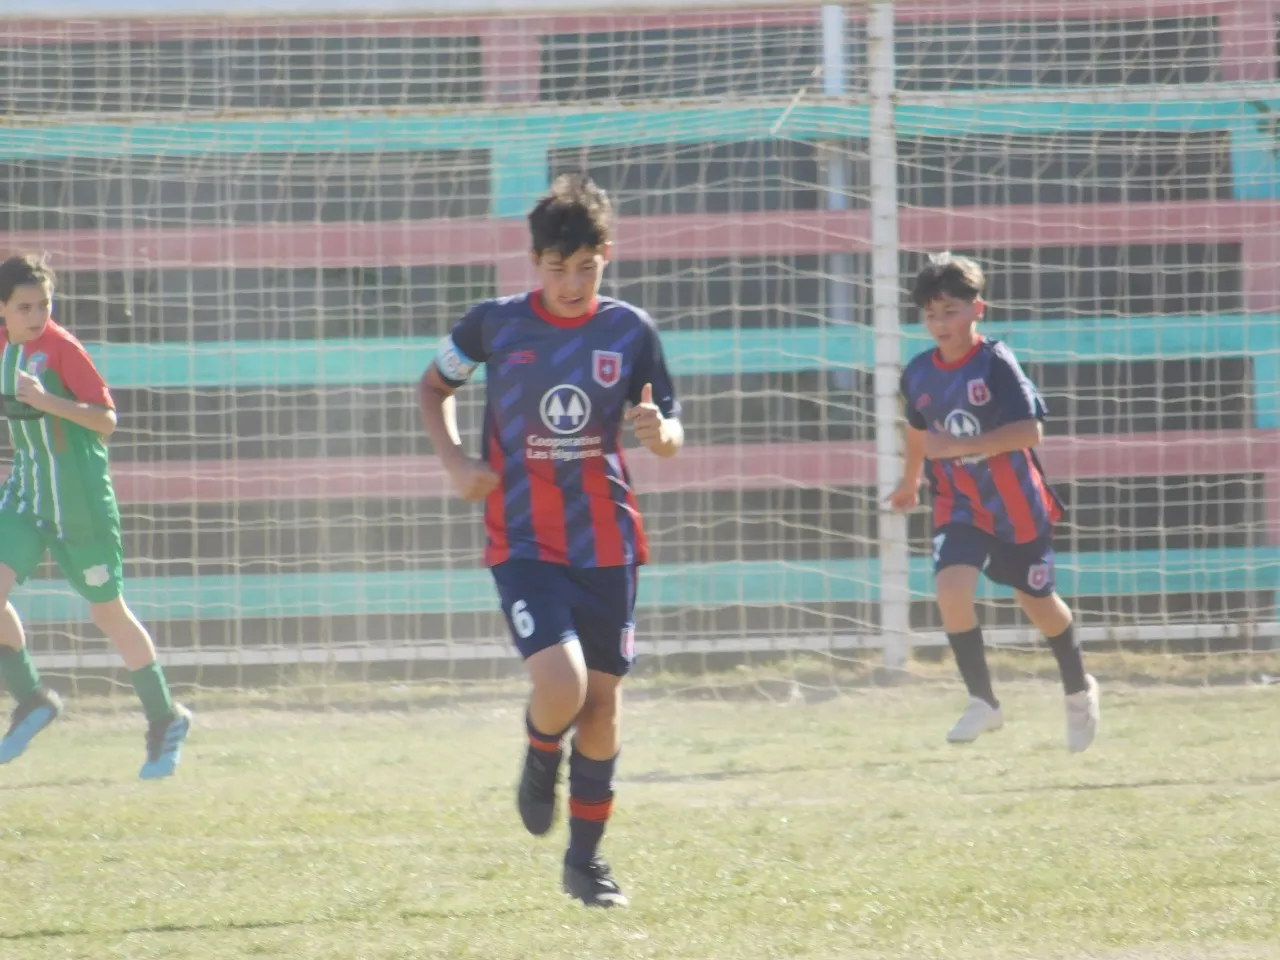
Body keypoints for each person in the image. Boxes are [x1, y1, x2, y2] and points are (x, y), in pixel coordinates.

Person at [417, 174, 683, 906]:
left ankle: (585, 865)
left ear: (607, 256)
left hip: (609, 544)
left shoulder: (631, 332)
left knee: (600, 706)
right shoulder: (493, 325)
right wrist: (455, 460)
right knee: (561, 686)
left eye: (586, 267)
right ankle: (541, 756)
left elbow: (670, 424)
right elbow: (432, 387)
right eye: (556, 268)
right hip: (524, 539)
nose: (571, 283)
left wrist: (662, 435)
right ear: (535, 262)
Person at [888, 253, 1100, 752]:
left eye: (950, 311)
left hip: (1015, 507)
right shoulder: (917, 374)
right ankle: (983, 701)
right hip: (958, 504)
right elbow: (918, 433)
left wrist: (961, 448)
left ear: (976, 309)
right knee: (950, 589)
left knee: (1040, 607)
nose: (940, 323)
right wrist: (909, 481)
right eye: (931, 314)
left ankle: (1078, 690)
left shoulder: (996, 362)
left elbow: (1031, 431)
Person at [0, 253, 191, 778]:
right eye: (25, 306)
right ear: (3, 311)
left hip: (80, 504)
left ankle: (164, 717)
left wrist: (47, 401)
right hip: (27, 496)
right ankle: (33, 699)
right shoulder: (3, 348)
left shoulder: (62, 350)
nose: (37, 315)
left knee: (107, 614)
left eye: (44, 304)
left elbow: (107, 420)